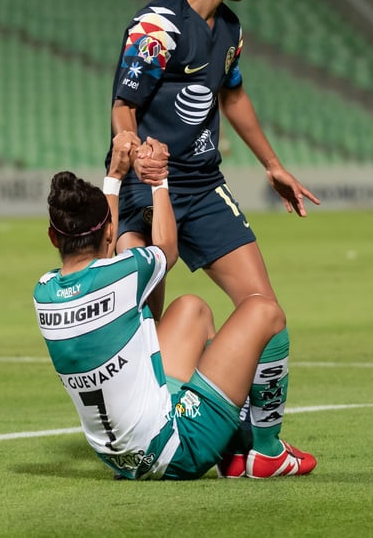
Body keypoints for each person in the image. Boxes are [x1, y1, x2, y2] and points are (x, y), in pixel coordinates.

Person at [105, 0, 321, 476]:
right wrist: (128, 141)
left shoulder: (229, 27)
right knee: (145, 327)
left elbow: (234, 96)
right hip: (148, 189)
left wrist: (273, 165)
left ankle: (259, 450)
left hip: (204, 187)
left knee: (264, 311)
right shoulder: (156, 27)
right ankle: (151, 437)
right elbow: (124, 105)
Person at [33, 132, 316, 480]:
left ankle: (235, 449)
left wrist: (115, 177)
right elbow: (167, 248)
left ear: (52, 237)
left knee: (191, 309)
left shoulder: (44, 291)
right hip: (175, 450)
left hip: (123, 456)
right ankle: (268, 452)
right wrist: (158, 180)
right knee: (264, 310)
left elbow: (104, 250)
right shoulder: (125, 272)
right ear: (109, 230)